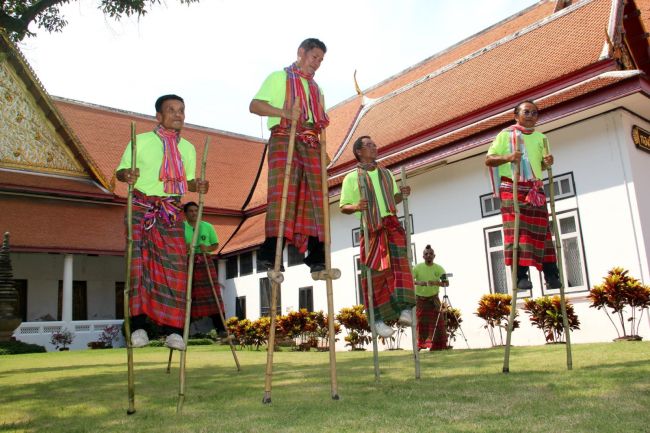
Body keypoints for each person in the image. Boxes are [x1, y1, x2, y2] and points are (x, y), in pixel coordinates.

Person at [116, 94, 209, 351]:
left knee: (175, 267)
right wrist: (127, 174)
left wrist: (198, 184)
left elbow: (188, 181)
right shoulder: (140, 141)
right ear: (159, 115)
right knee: (137, 267)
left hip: (170, 209)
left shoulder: (188, 148)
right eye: (171, 110)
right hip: (141, 207)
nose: (178, 114)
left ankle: (173, 332)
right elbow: (120, 171)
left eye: (181, 110)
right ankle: (137, 328)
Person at [249, 38, 329, 273]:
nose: (317, 63)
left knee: (316, 197)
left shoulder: (317, 89)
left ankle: (316, 256)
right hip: (284, 136)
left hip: (311, 141)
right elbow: (254, 106)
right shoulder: (279, 77)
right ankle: (271, 253)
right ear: (301, 53)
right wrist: (284, 112)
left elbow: (318, 123)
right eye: (315, 57)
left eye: (321, 60)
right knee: (284, 193)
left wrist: (323, 151)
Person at [340, 136, 416, 338]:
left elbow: (394, 198)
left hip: (391, 224)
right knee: (374, 275)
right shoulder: (351, 177)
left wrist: (403, 194)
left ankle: (405, 309)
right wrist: (356, 206)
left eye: (375, 144)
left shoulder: (386, 173)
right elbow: (344, 206)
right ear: (358, 151)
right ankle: (378, 319)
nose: (375, 147)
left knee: (401, 267)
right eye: (369, 145)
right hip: (371, 229)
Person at [485, 100, 561, 291]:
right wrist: (508, 158)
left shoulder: (541, 138)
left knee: (544, 232)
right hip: (512, 187)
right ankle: (520, 277)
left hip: (535, 189)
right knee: (517, 232)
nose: (531, 116)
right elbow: (489, 159)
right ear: (516, 115)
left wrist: (547, 163)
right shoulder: (506, 135)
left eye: (534, 113)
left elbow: (539, 165)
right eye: (526, 112)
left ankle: (551, 275)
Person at [183, 201, 225, 332]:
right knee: (186, 295)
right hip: (187, 262)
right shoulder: (180, 227)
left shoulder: (207, 226)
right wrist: (185, 247)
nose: (194, 213)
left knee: (212, 294)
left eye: (196, 211)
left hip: (205, 261)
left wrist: (207, 248)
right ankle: (181, 331)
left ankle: (221, 329)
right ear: (185, 213)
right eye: (191, 211)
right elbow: (174, 247)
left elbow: (215, 245)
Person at [412, 245, 449, 351]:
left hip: (434, 299)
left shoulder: (439, 268)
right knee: (420, 323)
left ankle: (438, 346)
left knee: (438, 322)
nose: (428, 255)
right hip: (420, 300)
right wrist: (420, 283)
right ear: (423, 256)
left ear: (434, 256)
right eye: (426, 254)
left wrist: (436, 282)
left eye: (430, 254)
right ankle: (420, 345)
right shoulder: (417, 268)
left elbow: (446, 283)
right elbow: (410, 280)